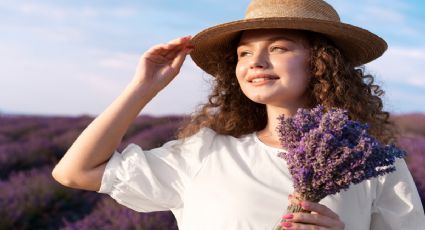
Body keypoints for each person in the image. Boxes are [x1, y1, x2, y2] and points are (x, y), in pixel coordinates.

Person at [52, 0, 425, 229]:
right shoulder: (204, 153)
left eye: (278, 47)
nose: (256, 62)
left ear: (322, 62)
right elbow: (74, 172)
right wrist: (143, 87)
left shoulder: (372, 164)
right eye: (244, 53)